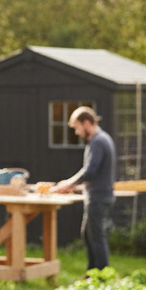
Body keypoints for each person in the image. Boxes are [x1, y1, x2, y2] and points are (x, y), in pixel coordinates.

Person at [54, 107, 116, 270]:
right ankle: (93, 274)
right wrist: (75, 186)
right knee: (89, 236)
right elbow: (96, 174)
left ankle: (102, 277)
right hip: (98, 196)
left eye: (77, 127)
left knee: (96, 237)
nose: (76, 132)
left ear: (86, 123)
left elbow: (90, 170)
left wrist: (68, 183)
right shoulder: (102, 139)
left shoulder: (98, 141)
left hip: (98, 198)